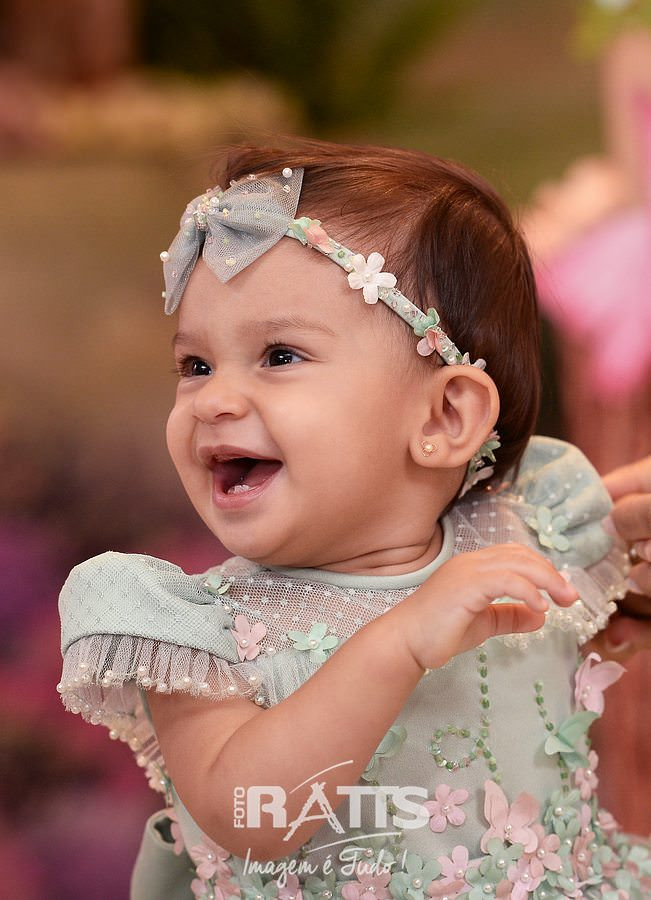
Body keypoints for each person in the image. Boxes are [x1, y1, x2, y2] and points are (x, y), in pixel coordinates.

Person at [57, 139, 651, 900]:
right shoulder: (199, 635)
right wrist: (394, 645)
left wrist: (634, 582)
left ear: (443, 416)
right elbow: (251, 816)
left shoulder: (526, 533)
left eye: (279, 355)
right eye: (195, 366)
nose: (214, 400)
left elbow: (572, 647)